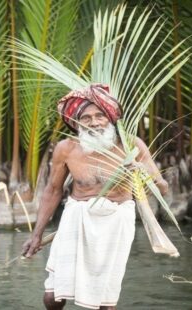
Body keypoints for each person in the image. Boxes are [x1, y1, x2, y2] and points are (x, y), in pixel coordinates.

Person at [22, 84, 169, 310]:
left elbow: (162, 187)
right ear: (77, 122)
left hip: (116, 224)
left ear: (110, 117)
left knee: (104, 302)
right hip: (76, 220)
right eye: (87, 117)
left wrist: (139, 170)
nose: (94, 122)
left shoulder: (131, 145)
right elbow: (53, 190)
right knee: (53, 297)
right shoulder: (66, 148)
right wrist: (36, 234)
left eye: (100, 115)